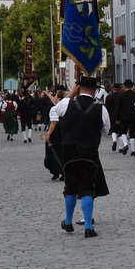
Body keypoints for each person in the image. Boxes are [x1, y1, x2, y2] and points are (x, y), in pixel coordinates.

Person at [49, 77, 109, 237]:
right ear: (95, 90)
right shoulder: (101, 108)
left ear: (78, 88)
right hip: (89, 151)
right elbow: (106, 130)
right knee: (87, 187)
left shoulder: (67, 103)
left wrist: (71, 94)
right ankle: (88, 227)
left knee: (70, 186)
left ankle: (68, 222)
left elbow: (56, 110)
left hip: (69, 150)